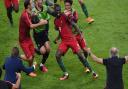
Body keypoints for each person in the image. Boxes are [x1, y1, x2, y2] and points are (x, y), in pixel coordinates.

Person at [54, 4, 98, 80]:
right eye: (56, 10)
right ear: (54, 11)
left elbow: (74, 25)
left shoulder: (64, 16)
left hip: (71, 39)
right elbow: (60, 31)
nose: (58, 12)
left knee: (80, 55)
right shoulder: (55, 21)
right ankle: (66, 74)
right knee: (57, 55)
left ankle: (93, 72)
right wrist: (56, 39)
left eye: (59, 10)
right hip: (64, 41)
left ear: (60, 10)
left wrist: (80, 34)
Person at [19, 0, 48, 67]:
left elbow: (33, 14)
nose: (33, 4)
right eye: (32, 3)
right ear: (28, 6)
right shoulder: (25, 15)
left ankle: (30, 69)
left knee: (33, 55)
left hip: (28, 37)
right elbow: (31, 26)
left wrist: (36, 15)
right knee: (30, 58)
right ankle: (17, 56)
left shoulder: (30, 12)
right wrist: (41, 23)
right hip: (23, 40)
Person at [31, 0, 53, 73]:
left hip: (44, 32)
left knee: (48, 49)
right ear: (36, 2)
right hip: (37, 34)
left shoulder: (45, 7)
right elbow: (34, 21)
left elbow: (47, 19)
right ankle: (35, 50)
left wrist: (44, 20)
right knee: (43, 51)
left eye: (41, 0)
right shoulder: (33, 11)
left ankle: (41, 65)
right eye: (39, 0)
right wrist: (41, 21)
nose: (41, 2)